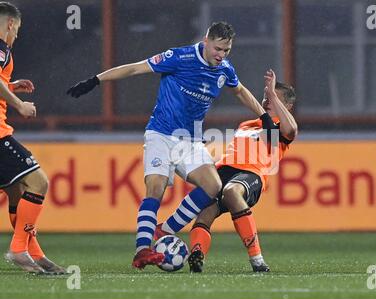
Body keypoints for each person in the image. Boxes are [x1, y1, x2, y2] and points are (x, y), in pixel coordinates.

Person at [67, 21, 269, 269]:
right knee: (156, 188)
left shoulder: (224, 69)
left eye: (226, 50)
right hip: (161, 135)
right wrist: (95, 80)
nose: (221, 55)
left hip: (191, 139)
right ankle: (142, 250)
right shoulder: (179, 56)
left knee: (213, 186)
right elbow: (134, 69)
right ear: (205, 42)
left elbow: (239, 91)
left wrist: (264, 116)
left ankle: (164, 231)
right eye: (218, 49)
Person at [155, 69, 298, 272]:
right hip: (223, 171)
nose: (267, 101)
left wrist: (274, 94)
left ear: (288, 106)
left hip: (251, 174)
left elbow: (291, 130)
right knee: (204, 211)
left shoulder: (278, 128)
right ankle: (197, 255)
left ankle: (257, 260)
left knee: (232, 191)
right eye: (265, 97)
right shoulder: (247, 125)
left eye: (273, 98)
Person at [0, 2, 66, 275]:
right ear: (11, 24)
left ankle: (35, 253)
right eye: (18, 30)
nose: (17, 36)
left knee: (18, 190)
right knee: (38, 182)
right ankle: (18, 250)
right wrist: (19, 104)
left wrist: (10, 85)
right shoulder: (2, 48)